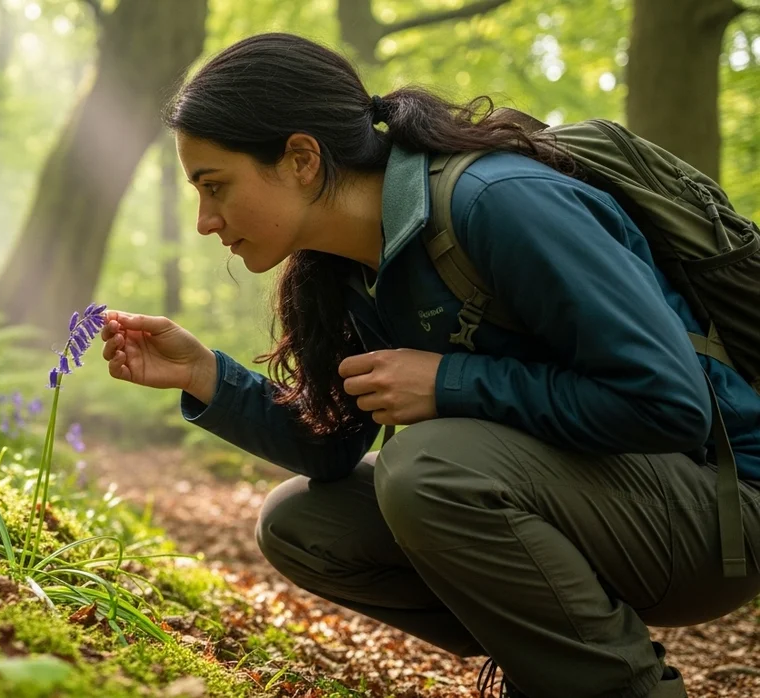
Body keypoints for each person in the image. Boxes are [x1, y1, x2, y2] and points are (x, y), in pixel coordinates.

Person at [98, 32, 760, 698]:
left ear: (301, 157)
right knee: (303, 525)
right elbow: (327, 451)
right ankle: (556, 667)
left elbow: (670, 403)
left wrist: (448, 384)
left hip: (720, 505)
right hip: (609, 504)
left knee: (429, 468)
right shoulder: (350, 270)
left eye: (216, 187)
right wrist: (203, 375)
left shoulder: (498, 203)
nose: (206, 220)